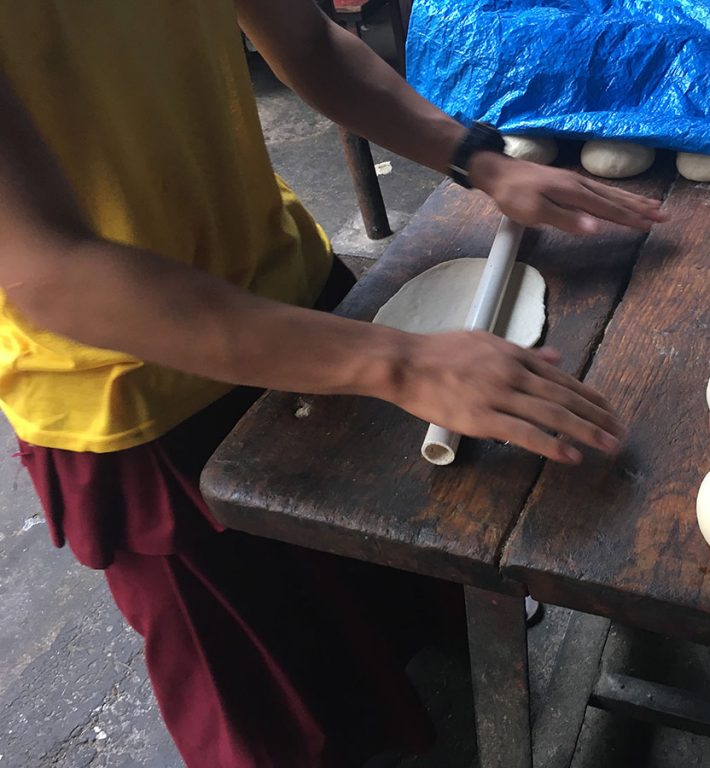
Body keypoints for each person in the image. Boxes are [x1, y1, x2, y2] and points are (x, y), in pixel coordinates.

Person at [0, 1, 666, 765]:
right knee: (280, 697)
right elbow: (52, 273)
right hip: (132, 387)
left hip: (289, 290)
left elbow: (308, 38)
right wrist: (401, 362)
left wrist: (475, 156)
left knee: (391, 590)